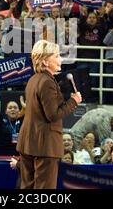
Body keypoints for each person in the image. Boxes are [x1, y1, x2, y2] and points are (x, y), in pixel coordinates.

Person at [17, 40, 82, 189]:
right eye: (57, 56)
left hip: (29, 141)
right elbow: (53, 115)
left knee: (27, 186)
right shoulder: (47, 82)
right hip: (44, 144)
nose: (61, 59)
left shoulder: (33, 79)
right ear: (46, 62)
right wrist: (73, 101)